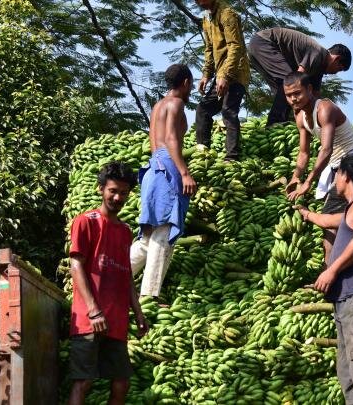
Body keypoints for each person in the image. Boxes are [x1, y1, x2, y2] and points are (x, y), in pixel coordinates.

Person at [294, 153, 353, 405]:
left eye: (337, 174)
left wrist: (331, 270)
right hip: (347, 300)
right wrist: (304, 212)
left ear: (345, 175)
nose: (335, 179)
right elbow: (325, 219)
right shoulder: (350, 210)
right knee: (350, 375)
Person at [68, 162, 148, 405]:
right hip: (89, 320)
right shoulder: (86, 221)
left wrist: (139, 312)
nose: (117, 197)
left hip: (116, 320)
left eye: (123, 193)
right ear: (101, 189)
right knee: (83, 381)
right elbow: (76, 265)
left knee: (122, 382)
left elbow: (126, 276)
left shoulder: (125, 231)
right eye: (112, 190)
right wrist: (93, 311)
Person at [284, 71, 353, 261]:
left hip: (352, 165)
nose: (293, 99)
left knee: (334, 219)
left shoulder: (325, 109)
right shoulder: (300, 117)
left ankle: (332, 271)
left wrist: (308, 182)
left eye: (297, 93)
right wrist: (296, 176)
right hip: (336, 168)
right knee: (333, 219)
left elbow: (326, 149)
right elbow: (304, 153)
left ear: (309, 89)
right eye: (288, 95)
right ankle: (331, 268)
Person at [130, 64, 197, 300]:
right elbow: (170, 138)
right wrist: (184, 171)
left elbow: (154, 142)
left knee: (148, 237)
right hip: (167, 167)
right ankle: (149, 295)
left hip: (153, 167)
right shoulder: (176, 104)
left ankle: (115, 277)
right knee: (163, 232)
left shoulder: (157, 106)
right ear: (186, 82)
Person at [248, 27, 351, 127]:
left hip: (256, 49)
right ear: (337, 59)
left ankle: (279, 122)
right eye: (339, 69)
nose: (336, 72)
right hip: (263, 43)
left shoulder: (319, 70)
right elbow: (296, 80)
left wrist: (320, 121)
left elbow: (315, 97)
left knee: (284, 92)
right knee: (290, 82)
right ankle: (274, 123)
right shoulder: (319, 53)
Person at [194, 0, 250, 161]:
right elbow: (209, 49)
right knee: (203, 109)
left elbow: (235, 47)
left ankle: (232, 156)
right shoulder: (206, 18)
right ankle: (203, 151)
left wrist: (225, 75)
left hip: (236, 73)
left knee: (228, 111)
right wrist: (206, 74)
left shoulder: (227, 14)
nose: (198, 2)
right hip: (220, 75)